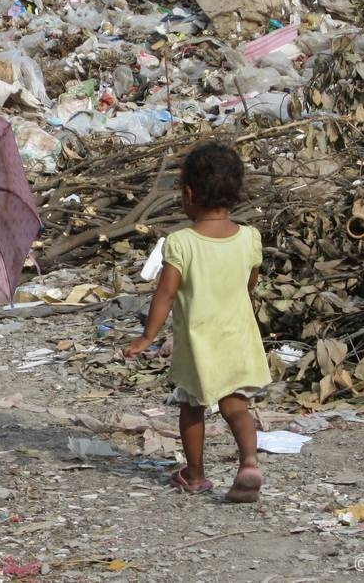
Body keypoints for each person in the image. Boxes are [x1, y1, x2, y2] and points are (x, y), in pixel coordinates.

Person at [122, 141, 271, 503]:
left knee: (192, 407)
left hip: (199, 343)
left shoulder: (181, 243)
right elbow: (249, 283)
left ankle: (195, 474)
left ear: (188, 194)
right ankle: (249, 462)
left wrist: (147, 336)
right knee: (236, 404)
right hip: (239, 337)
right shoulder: (250, 237)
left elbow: (165, 294)